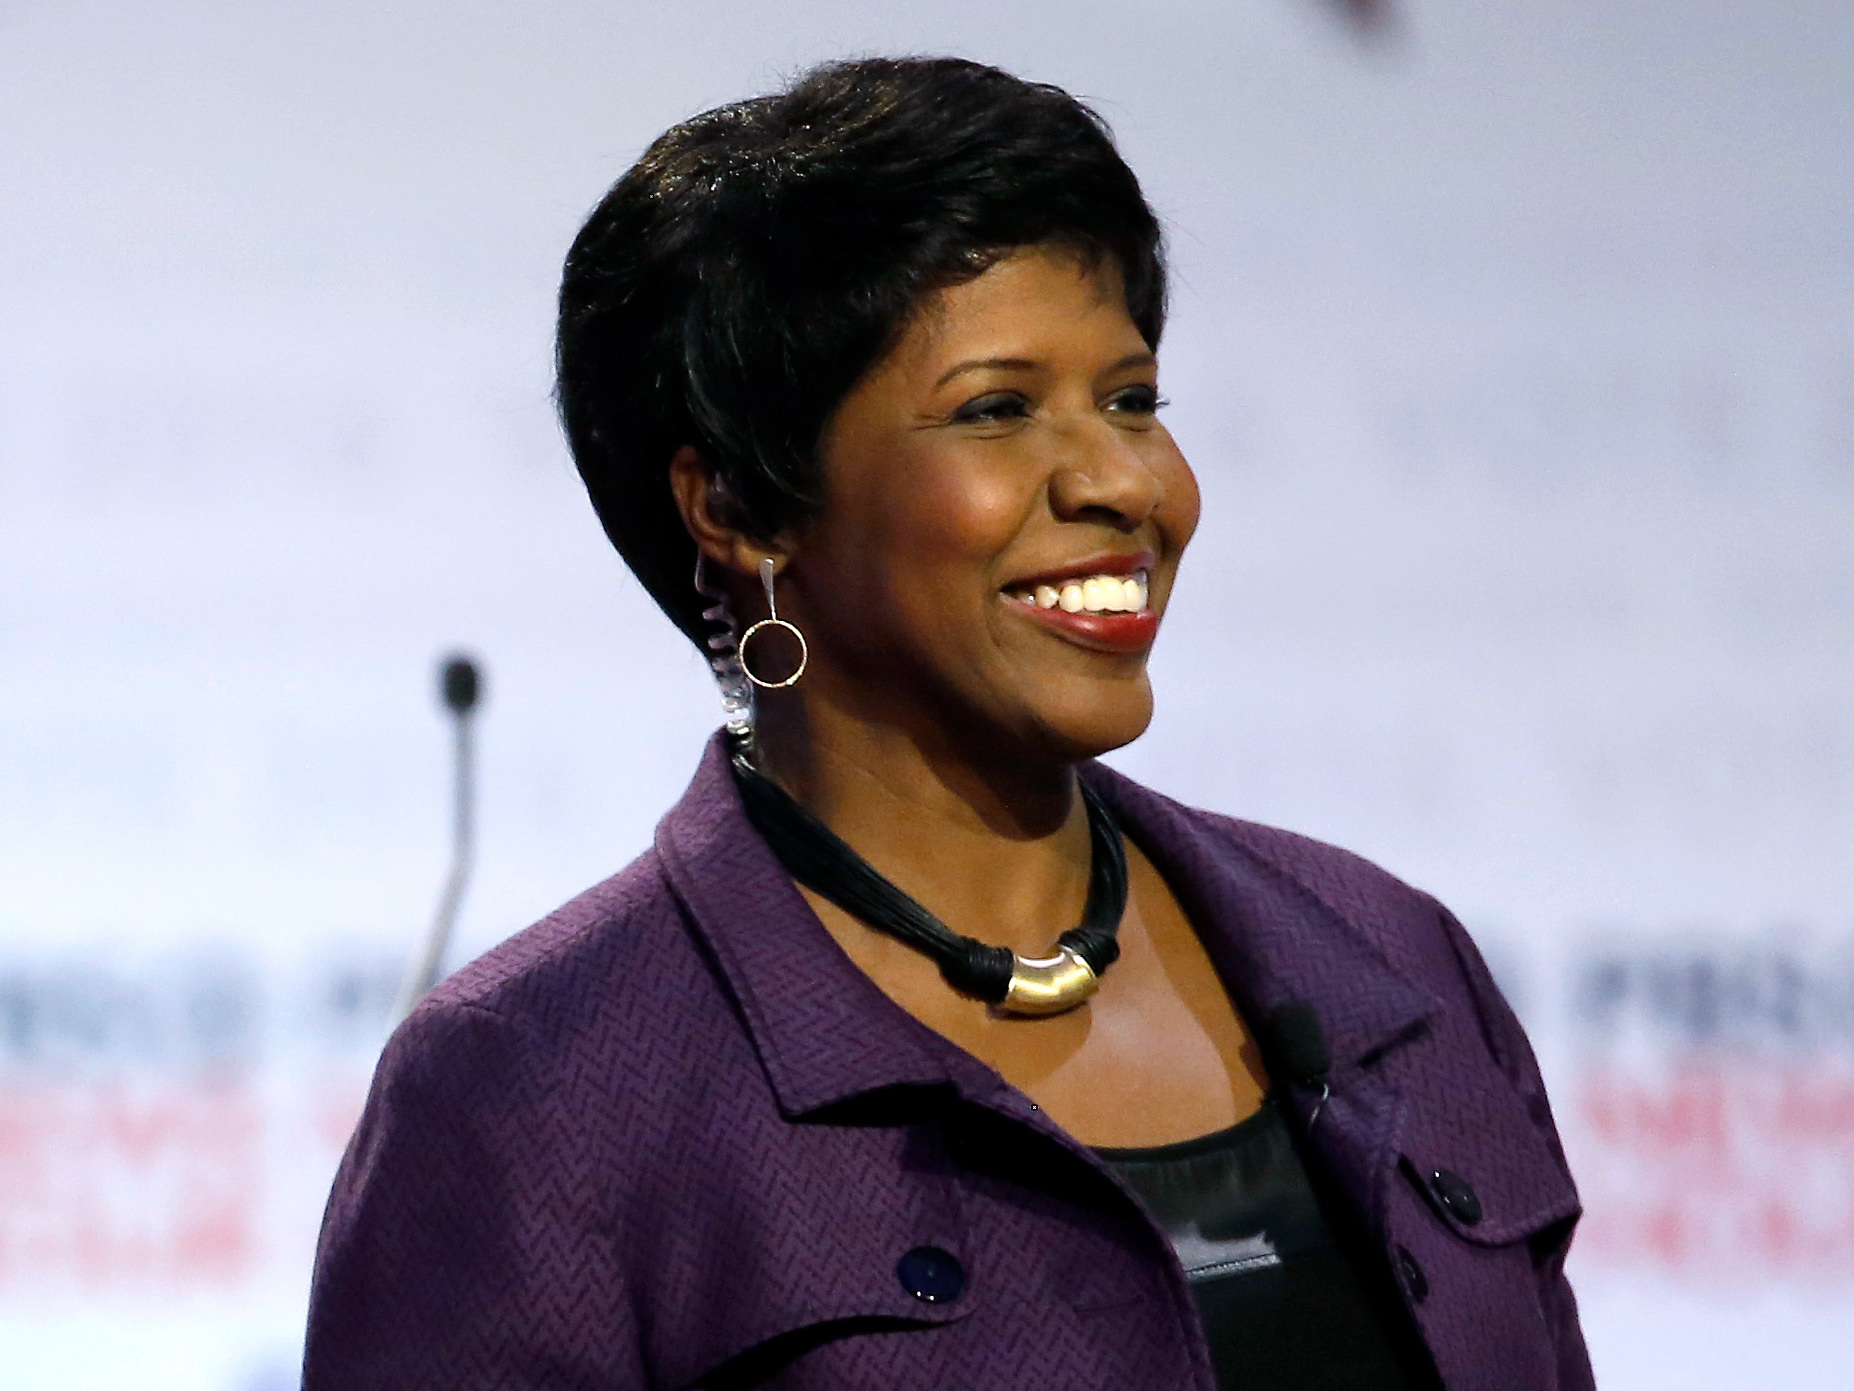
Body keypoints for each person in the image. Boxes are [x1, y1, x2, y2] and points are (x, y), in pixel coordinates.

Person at [303, 57, 1593, 1391]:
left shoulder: (1391, 968)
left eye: (1132, 398)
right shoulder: (533, 1099)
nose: (1120, 482)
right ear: (738, 508)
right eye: (997, 409)